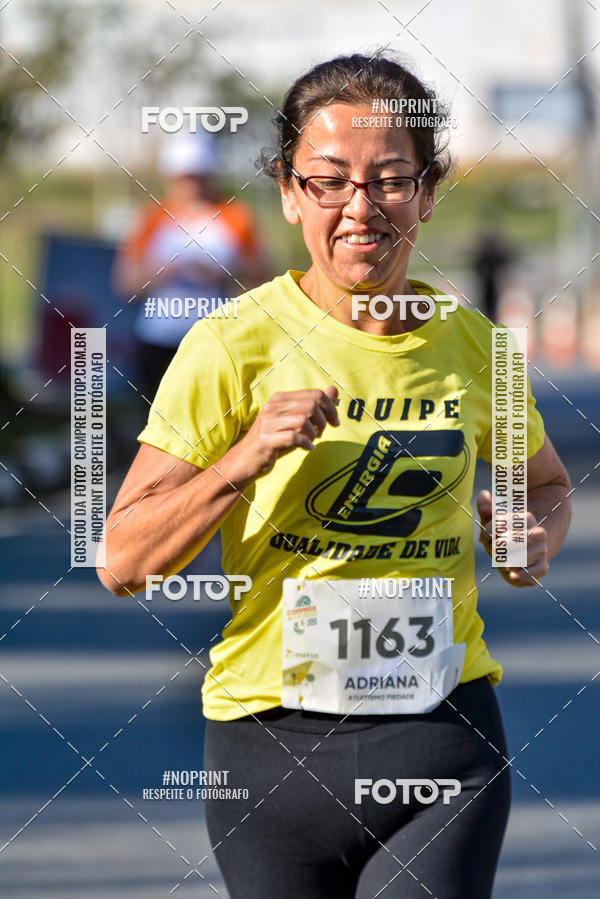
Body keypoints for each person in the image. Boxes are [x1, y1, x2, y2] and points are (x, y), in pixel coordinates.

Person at [98, 52, 572, 899]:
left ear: (427, 194)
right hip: (266, 750)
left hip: (443, 740)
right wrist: (244, 459)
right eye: (330, 180)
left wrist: (531, 535)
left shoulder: (480, 349)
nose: (362, 206)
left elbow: (545, 484)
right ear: (288, 192)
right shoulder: (229, 346)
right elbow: (124, 559)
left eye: (392, 178)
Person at [112, 131, 269, 400]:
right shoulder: (151, 219)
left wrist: (221, 272)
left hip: (216, 339)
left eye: (198, 176)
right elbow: (125, 283)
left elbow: (263, 275)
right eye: (184, 177)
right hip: (157, 342)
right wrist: (164, 271)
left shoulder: (235, 217)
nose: (191, 185)